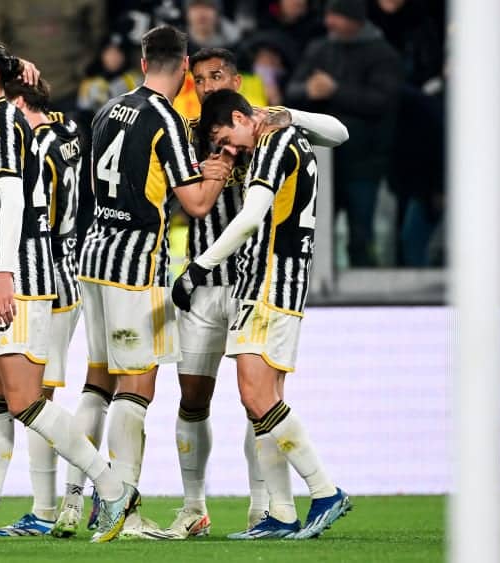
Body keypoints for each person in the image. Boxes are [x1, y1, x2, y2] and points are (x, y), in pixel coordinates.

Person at [0, 38, 138, 545]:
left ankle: (112, 488)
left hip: (23, 280)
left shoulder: (0, 122)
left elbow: (14, 201)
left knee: (25, 401)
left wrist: (3, 276)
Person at [145, 46, 348, 540]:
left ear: (237, 83)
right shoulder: (191, 133)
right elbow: (172, 196)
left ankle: (274, 505)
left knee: (258, 400)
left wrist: (287, 114)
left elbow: (339, 133)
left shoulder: (269, 133)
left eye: (215, 76)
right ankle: (202, 507)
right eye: (198, 79)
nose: (207, 85)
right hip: (209, 288)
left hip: (254, 280)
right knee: (201, 398)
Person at [52, 25, 233, 539]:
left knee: (97, 382)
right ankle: (124, 509)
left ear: (143, 60)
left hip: (93, 256)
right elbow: (196, 203)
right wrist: (219, 168)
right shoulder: (165, 119)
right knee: (137, 385)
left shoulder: (108, 109)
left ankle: (71, 503)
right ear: (184, 67)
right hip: (135, 267)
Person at [0, 78, 84, 537]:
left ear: (19, 103)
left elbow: (34, 220)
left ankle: (48, 509)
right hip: (70, 272)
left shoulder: (33, 148)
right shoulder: (68, 132)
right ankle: (51, 505)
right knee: (40, 398)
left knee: (34, 401)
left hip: (44, 278)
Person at [285, 0, 401, 266]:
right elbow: (293, 92)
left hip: (365, 162)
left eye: (336, 16)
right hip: (321, 161)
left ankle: (367, 284)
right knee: (312, 232)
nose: (329, 22)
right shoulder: (319, 49)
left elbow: (383, 101)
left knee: (361, 233)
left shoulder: (383, 54)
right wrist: (308, 91)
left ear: (355, 19)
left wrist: (335, 91)